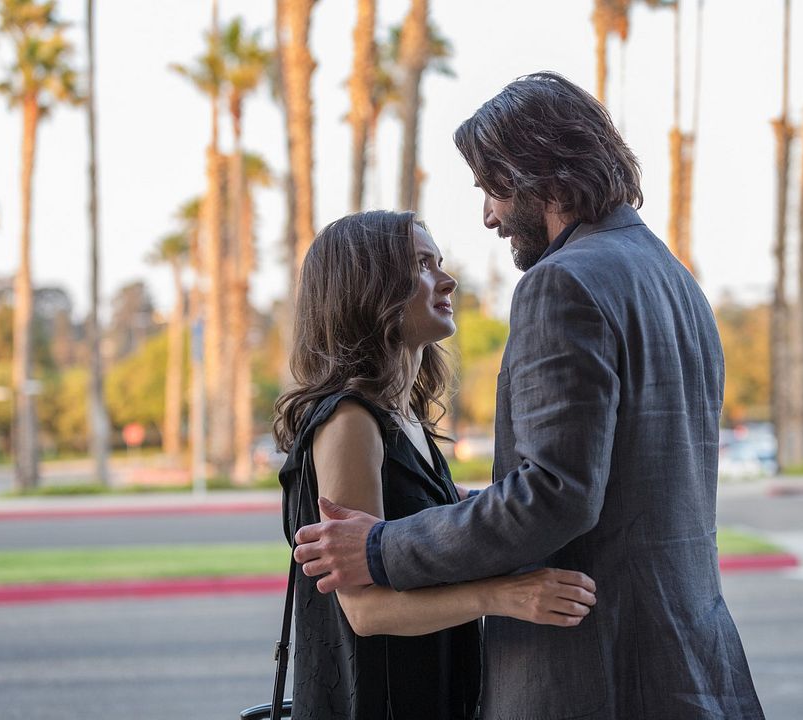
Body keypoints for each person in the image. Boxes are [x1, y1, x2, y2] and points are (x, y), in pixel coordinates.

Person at [294, 73, 766, 719]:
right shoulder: (674, 280)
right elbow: (622, 479)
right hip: (693, 665)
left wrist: (378, 547)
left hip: (592, 678)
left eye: (492, 188)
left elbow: (556, 493)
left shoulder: (563, 283)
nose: (489, 216)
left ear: (536, 175)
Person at [273, 210, 597, 719]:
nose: (447, 280)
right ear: (369, 287)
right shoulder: (350, 422)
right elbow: (366, 610)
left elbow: (422, 524)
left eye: (439, 262)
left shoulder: (406, 420)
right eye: (423, 265)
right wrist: (504, 596)